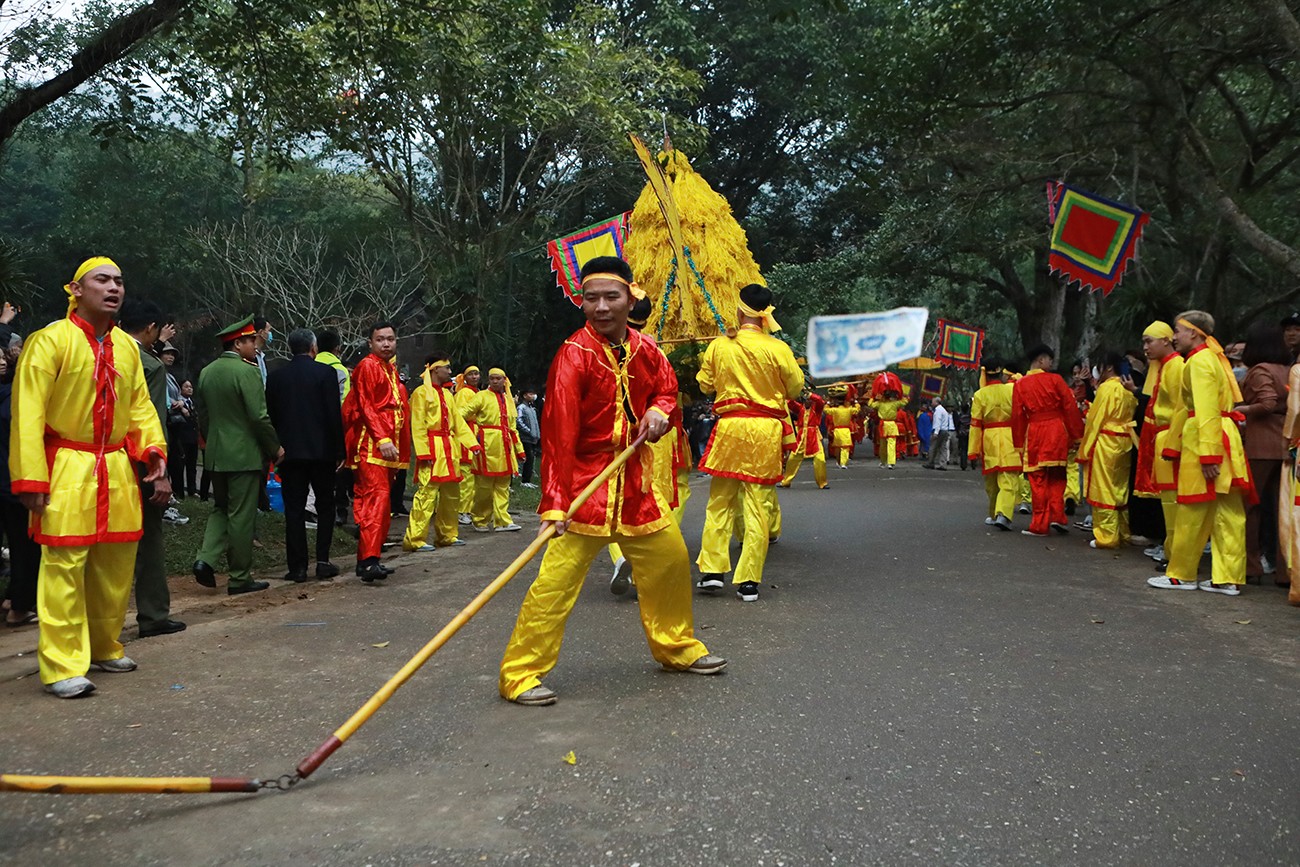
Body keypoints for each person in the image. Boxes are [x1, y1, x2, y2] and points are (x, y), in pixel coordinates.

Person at [498, 256, 724, 706]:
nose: (600, 307)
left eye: (610, 297)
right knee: (554, 584)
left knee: (671, 563)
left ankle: (676, 648)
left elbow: (665, 388)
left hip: (637, 486)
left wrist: (660, 410)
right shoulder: (573, 355)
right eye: (591, 298)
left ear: (630, 297)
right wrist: (556, 503)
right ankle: (520, 674)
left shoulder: (646, 350)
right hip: (585, 489)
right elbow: (559, 437)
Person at [11, 258, 167, 697]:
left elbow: (140, 408)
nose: (113, 287)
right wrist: (31, 480)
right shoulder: (49, 341)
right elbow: (28, 415)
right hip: (66, 466)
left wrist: (153, 453)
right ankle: (62, 665)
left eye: (119, 280)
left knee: (115, 568)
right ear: (75, 290)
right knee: (64, 566)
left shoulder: (127, 347)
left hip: (116, 467)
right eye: (102, 280)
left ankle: (104, 645)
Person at [694, 283, 803, 602]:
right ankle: (749, 582)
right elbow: (795, 388)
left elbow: (704, 385)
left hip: (730, 428)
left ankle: (712, 572)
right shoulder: (778, 348)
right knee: (758, 505)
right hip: (765, 430)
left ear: (740, 311)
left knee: (720, 503)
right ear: (766, 314)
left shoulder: (718, 345)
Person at [1147, 311, 1253, 594]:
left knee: (1192, 509)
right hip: (1224, 437)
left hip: (1207, 438)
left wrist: (1208, 456)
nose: (1174, 336)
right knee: (1228, 513)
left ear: (1193, 332)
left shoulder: (1198, 361)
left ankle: (1181, 574)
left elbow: (1203, 410)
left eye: (1178, 330)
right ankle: (1227, 578)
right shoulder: (1212, 359)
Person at [192, 316, 283, 595]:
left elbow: (203, 415)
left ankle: (205, 559)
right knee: (242, 515)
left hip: (216, 455)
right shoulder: (248, 372)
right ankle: (240, 577)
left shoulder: (207, 372)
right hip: (244, 455)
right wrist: (274, 447)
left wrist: (212, 441)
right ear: (239, 342)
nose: (255, 347)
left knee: (220, 509)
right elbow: (259, 417)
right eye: (252, 342)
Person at [119, 298, 186, 637]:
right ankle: (153, 614)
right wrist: (160, 470)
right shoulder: (150, 365)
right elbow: (152, 421)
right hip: (139, 463)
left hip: (92, 462)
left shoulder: (100, 352)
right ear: (150, 329)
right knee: (148, 539)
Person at [266, 328, 345, 582]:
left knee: (295, 510)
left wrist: (277, 447)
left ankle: (298, 567)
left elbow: (273, 416)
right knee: (325, 506)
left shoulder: (276, 377)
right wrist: (339, 450)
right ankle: (323, 561)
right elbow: (334, 415)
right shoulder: (326, 373)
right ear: (313, 348)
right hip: (322, 453)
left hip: (290, 453)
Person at [342, 321, 409, 582]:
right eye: (380, 339)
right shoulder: (368, 366)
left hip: (388, 448)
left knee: (382, 503)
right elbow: (367, 406)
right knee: (376, 501)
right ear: (370, 343)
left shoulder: (389, 369)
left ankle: (371, 558)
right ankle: (368, 560)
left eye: (390, 339)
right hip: (373, 447)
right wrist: (381, 438)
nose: (386, 344)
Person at [402, 352, 479, 552]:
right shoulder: (420, 393)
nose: (450, 372)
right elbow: (417, 425)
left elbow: (458, 422)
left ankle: (447, 535)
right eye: (447, 368)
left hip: (449, 448)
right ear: (436, 369)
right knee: (427, 494)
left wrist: (472, 444)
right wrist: (423, 453)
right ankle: (415, 538)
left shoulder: (447, 394)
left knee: (452, 495)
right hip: (433, 448)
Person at [1011, 344, 1085, 536]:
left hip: (1036, 432)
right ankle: (1058, 517)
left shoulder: (1021, 384)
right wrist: (1077, 435)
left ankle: (1039, 524)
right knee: (1058, 477)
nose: (1051, 364)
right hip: (1058, 432)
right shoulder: (1056, 380)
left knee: (1037, 479)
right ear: (1041, 359)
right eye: (1050, 360)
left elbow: (1018, 415)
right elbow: (1070, 408)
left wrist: (1019, 444)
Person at [1235, 322, 1289, 581]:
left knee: (1250, 507)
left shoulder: (1260, 370)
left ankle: (1251, 567)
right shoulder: (1288, 369)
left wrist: (1240, 409)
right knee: (1282, 512)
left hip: (1260, 445)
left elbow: (1267, 403)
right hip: (1286, 445)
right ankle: (1285, 571)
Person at [1132, 322, 1184, 565]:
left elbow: (1179, 409)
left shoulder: (1175, 366)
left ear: (1166, 340)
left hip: (1171, 438)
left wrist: (1173, 443)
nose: (1145, 347)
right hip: (1163, 436)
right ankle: (1171, 551)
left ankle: (1175, 556)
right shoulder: (1166, 366)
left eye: (1149, 341)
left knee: (1173, 501)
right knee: (1167, 500)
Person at [1076, 352, 1138, 549]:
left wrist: (1084, 449)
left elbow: (1096, 420)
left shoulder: (1106, 388)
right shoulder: (1128, 387)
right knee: (1120, 489)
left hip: (1106, 440)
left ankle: (1107, 536)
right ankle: (1123, 531)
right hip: (1125, 440)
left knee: (1103, 488)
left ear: (1108, 367)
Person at [0, 324, 40, 628]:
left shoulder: (11, 390)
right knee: (25, 545)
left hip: (10, 480)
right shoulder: (18, 394)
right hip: (12, 481)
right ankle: (19, 605)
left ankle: (14, 600)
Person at [463, 367, 524, 532]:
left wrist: (519, 449)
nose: (495, 381)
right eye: (492, 379)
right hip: (487, 445)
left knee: (503, 485)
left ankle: (502, 521)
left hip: (505, 447)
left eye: (498, 378)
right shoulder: (481, 396)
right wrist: (471, 437)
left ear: (505, 380)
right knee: (484, 488)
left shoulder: (508, 399)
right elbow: (462, 414)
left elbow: (512, 427)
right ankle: (480, 519)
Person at [967, 359, 1021, 530]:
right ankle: (1003, 514)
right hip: (1009, 436)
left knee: (991, 480)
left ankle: (994, 514)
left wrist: (973, 450)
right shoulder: (1012, 390)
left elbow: (975, 424)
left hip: (989, 438)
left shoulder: (980, 395)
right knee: (1008, 478)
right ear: (1000, 372)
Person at [314, 328, 352, 528]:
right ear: (337, 348)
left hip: (313, 428)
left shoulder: (311, 365)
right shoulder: (341, 370)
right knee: (339, 472)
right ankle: (340, 510)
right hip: (335, 428)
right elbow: (343, 403)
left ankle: (318, 508)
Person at [781, 391, 828, 489]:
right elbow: (790, 403)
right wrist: (793, 391)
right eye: (806, 400)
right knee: (792, 459)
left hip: (814, 437)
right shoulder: (800, 408)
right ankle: (786, 481)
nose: (807, 402)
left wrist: (810, 394)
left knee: (820, 459)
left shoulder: (817, 409)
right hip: (801, 437)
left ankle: (822, 483)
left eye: (809, 400)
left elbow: (820, 401)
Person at [453, 365, 482, 525]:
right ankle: (462, 510)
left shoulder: (476, 393)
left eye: (477, 374)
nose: (475, 377)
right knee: (466, 477)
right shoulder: (465, 392)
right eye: (471, 374)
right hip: (467, 433)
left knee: (472, 477)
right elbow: (460, 414)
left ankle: (467, 509)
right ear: (464, 377)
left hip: (474, 432)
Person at [867, 384, 907, 468]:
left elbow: (870, 404)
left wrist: (873, 396)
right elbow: (905, 401)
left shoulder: (879, 404)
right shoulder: (895, 404)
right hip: (892, 425)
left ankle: (883, 462)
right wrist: (900, 395)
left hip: (883, 425)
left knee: (883, 445)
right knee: (892, 444)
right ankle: (891, 463)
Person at [174, 380, 199, 499]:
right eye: (186, 387)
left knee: (192, 466)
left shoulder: (192, 402)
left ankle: (192, 490)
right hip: (182, 438)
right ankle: (179, 492)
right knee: (180, 466)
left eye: (191, 387)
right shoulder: (178, 404)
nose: (190, 389)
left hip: (193, 438)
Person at [824, 392, 856, 467]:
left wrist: (828, 403)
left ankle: (838, 462)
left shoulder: (834, 410)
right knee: (845, 447)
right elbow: (857, 409)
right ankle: (843, 463)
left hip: (837, 431)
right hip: (846, 431)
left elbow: (825, 410)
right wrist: (855, 402)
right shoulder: (849, 409)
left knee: (837, 448)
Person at [517, 387, 541, 488]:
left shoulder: (532, 408)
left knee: (531, 458)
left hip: (533, 438)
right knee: (528, 457)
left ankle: (528, 478)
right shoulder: (521, 407)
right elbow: (519, 421)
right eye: (530, 394)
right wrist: (529, 431)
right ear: (524, 395)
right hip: (526, 438)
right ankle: (525, 480)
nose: (533, 396)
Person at [925, 396, 954, 469]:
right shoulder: (943, 410)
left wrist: (936, 433)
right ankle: (943, 464)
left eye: (932, 402)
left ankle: (931, 462)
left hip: (939, 430)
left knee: (933, 447)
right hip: (945, 430)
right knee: (943, 448)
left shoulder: (938, 411)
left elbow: (938, 422)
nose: (931, 403)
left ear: (936, 402)